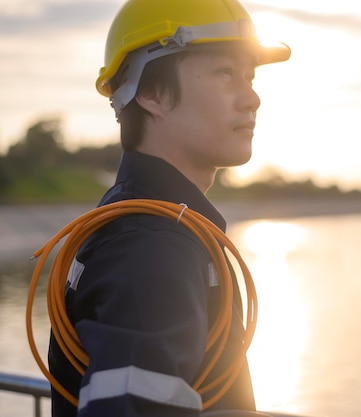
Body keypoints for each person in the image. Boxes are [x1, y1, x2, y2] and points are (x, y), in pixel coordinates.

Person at [47, 0, 290, 416]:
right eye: (226, 73)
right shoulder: (151, 248)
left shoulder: (151, 225)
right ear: (152, 93)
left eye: (249, 76)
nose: (252, 98)